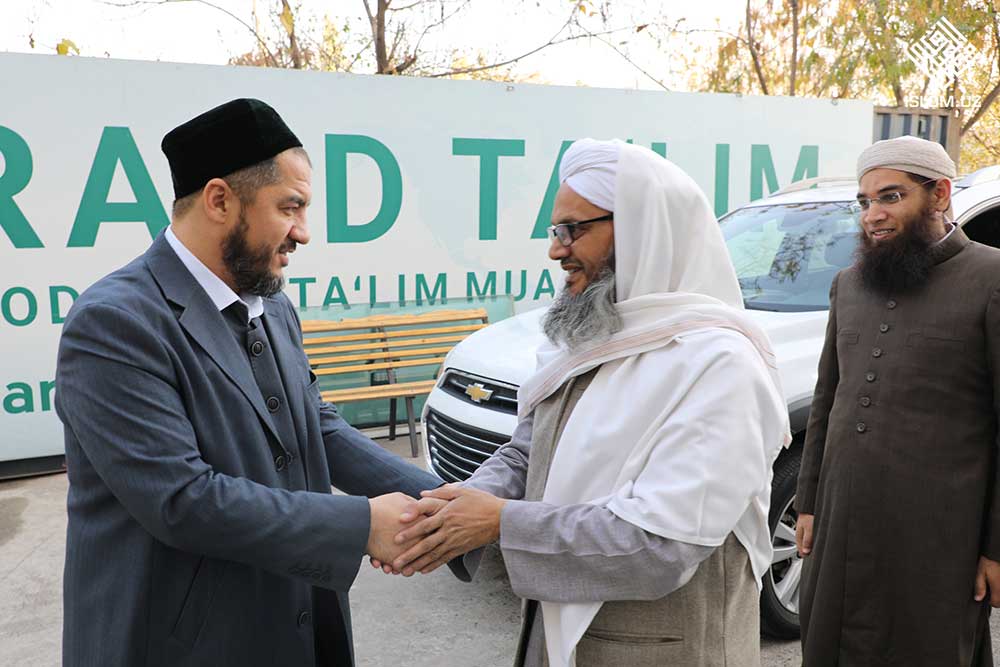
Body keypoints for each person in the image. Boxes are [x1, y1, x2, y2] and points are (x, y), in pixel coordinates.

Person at [54, 98, 443, 667]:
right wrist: (362, 525)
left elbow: (316, 427)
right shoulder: (114, 322)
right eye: (291, 207)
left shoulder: (272, 306)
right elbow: (181, 500)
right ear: (219, 200)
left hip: (295, 623)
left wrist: (440, 503)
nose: (303, 233)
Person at [379, 139, 790, 666]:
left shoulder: (720, 365)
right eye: (556, 231)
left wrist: (499, 522)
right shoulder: (592, 335)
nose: (556, 250)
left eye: (573, 230)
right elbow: (528, 452)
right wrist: (453, 511)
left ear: (642, 231)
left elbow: (661, 545)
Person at [795, 135, 1000, 666]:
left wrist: (995, 548)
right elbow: (827, 398)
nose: (873, 215)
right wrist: (810, 502)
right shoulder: (849, 284)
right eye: (865, 202)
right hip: (842, 520)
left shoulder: (991, 277)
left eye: (891, 197)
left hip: (941, 531)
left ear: (940, 194)